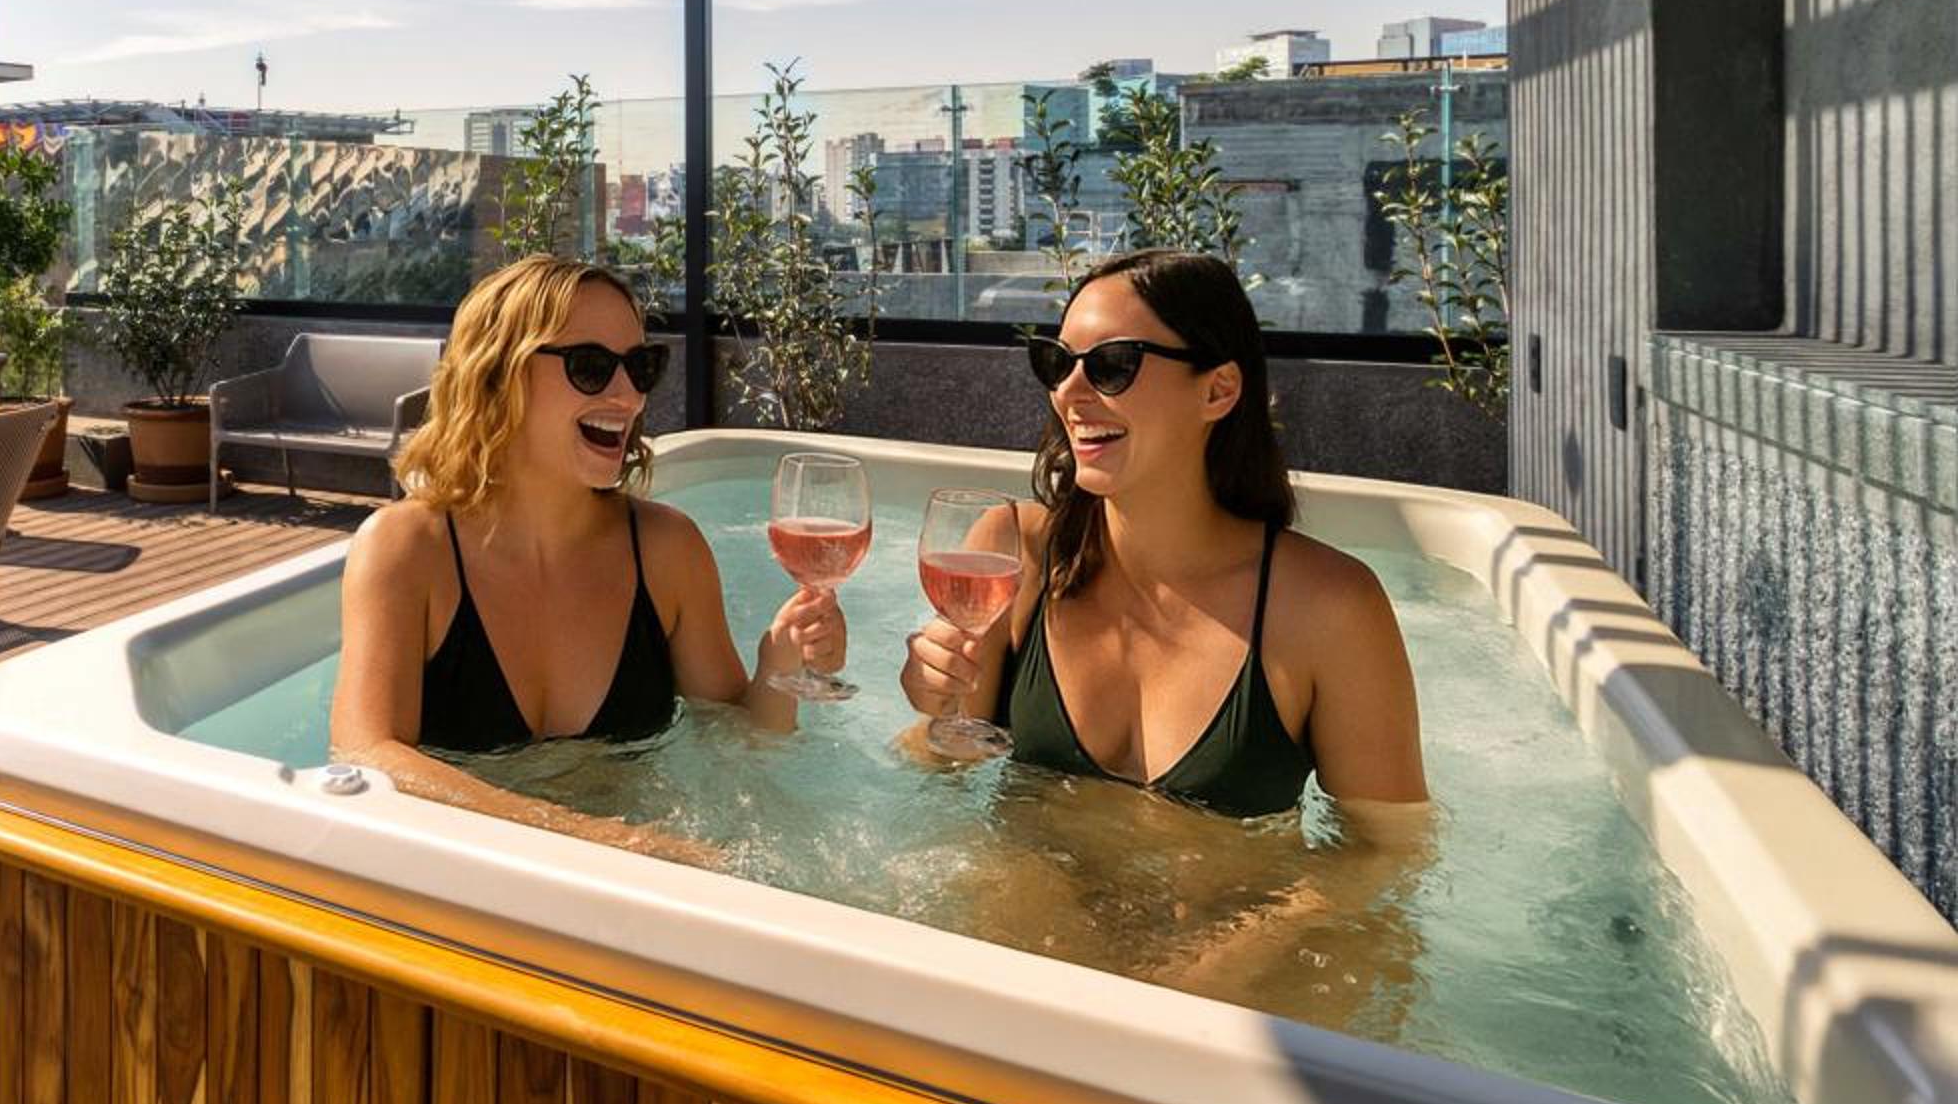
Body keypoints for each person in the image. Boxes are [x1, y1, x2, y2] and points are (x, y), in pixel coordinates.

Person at [331, 256, 844, 849]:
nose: (628, 396)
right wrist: (603, 842)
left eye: (641, 366)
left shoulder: (667, 551)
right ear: (498, 376)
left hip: (633, 878)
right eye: (591, 367)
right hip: (466, 882)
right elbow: (366, 755)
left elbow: (740, 745)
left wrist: (780, 667)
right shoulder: (407, 550)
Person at [899, 249, 1427, 818]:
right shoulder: (1013, 552)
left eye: (1112, 365)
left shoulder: (1330, 607)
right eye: (1057, 362)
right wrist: (935, 713)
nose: (1069, 392)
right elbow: (936, 770)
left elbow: (1385, 850)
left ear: (1218, 391)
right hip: (1012, 877)